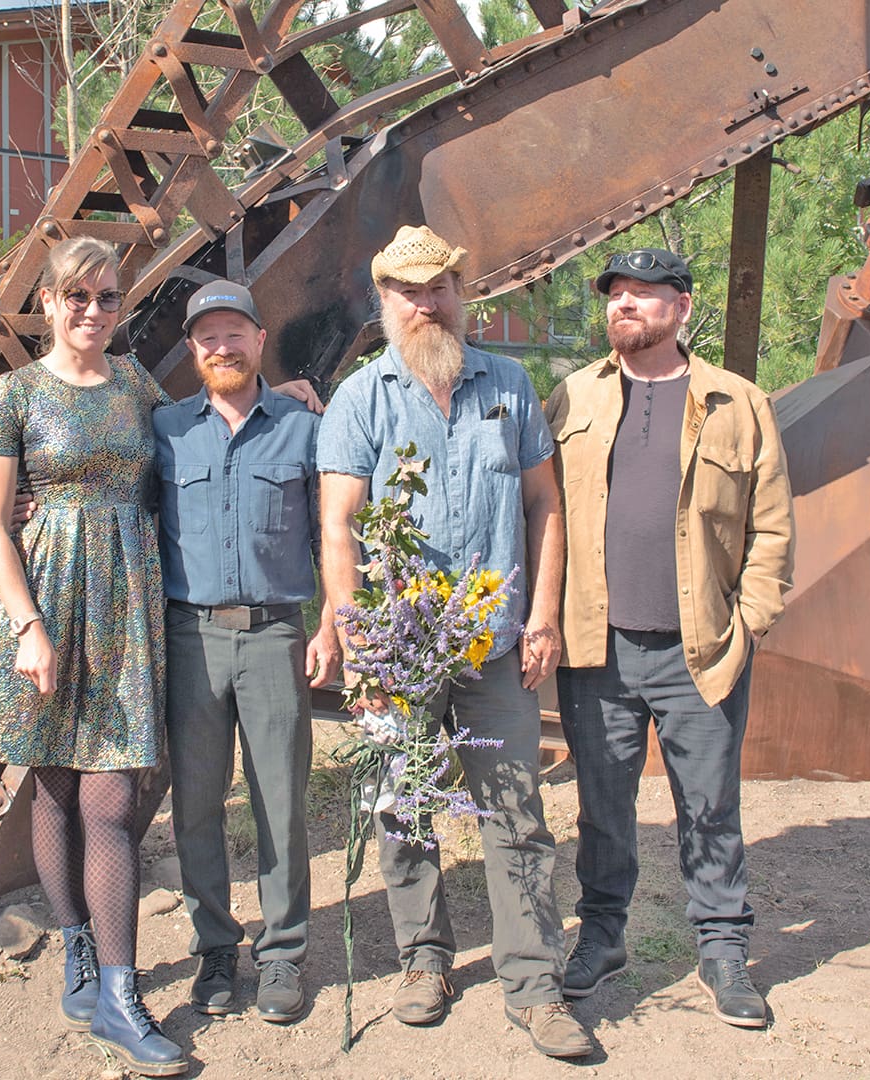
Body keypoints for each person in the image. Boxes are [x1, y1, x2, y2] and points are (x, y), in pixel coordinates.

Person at [317, 224, 594, 1059]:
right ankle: (423, 960)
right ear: (384, 301)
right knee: (404, 809)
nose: (425, 303)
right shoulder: (361, 398)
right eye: (408, 290)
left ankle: (536, 988)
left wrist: (542, 615)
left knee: (516, 813)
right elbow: (338, 524)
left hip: (493, 646)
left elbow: (545, 507)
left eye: (439, 286)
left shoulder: (508, 387)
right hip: (399, 651)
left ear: (460, 293)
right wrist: (359, 636)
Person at [544, 248, 794, 1029]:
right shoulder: (572, 396)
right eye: (616, 295)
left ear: (681, 308)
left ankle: (722, 951)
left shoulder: (736, 402)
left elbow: (773, 527)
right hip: (599, 648)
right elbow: (539, 509)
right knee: (603, 806)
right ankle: (604, 937)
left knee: (710, 804)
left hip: (702, 648)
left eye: (643, 294)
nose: (624, 305)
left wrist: (748, 622)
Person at [0, 236, 187, 1077]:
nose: (93, 311)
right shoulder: (15, 393)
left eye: (107, 297)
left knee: (110, 799)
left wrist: (283, 399)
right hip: (46, 604)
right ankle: (77, 948)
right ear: (50, 304)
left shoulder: (135, 383)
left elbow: (194, 443)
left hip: (126, 605)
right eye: (77, 297)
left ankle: (122, 997)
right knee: (53, 788)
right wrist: (26, 626)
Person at [153, 280, 340, 1024]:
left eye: (235, 333)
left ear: (261, 340)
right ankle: (216, 952)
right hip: (190, 638)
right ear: (194, 350)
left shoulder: (304, 426)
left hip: (273, 635)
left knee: (280, 803)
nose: (222, 347)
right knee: (196, 806)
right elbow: (108, 497)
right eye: (208, 337)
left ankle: (285, 953)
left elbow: (336, 532)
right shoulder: (164, 429)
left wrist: (332, 624)